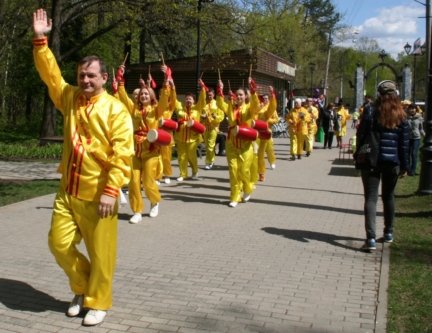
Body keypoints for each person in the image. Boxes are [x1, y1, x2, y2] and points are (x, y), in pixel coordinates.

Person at [32, 9, 134, 326]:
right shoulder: (71, 98)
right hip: (69, 191)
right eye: (82, 75)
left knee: (102, 255)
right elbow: (51, 76)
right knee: (58, 243)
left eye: (91, 75)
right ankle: (82, 287)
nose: (85, 80)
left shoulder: (116, 110)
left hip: (99, 195)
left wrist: (110, 190)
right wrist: (40, 40)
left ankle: (98, 301)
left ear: (105, 78)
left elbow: (123, 154)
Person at [116, 64, 174, 223]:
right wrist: (120, 79)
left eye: (146, 94)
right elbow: (122, 96)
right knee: (134, 182)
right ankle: (137, 211)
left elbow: (164, 98)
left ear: (151, 96)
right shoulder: (133, 109)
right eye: (141, 94)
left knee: (148, 182)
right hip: (135, 150)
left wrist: (166, 80)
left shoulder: (156, 110)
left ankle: (154, 201)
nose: (143, 96)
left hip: (151, 151)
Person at [355, 80, 409, 251]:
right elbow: (404, 143)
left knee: (371, 198)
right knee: (389, 196)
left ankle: (370, 239)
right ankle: (389, 232)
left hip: (371, 159)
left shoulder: (371, 110)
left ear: (379, 93)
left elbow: (361, 134)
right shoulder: (401, 114)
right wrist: (405, 165)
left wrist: (358, 154)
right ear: (395, 95)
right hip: (392, 161)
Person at [216, 78, 260, 207]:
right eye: (237, 94)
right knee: (233, 171)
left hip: (246, 145)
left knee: (244, 171)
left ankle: (247, 189)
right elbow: (220, 103)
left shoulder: (249, 109)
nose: (239, 96)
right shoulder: (230, 107)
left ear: (245, 96)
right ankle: (235, 197)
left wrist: (253, 92)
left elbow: (255, 105)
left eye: (241, 94)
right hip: (231, 144)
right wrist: (220, 90)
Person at [174, 84, 206, 181]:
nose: (188, 100)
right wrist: (172, 88)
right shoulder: (180, 110)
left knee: (192, 157)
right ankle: (183, 174)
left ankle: (195, 172)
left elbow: (202, 100)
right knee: (182, 157)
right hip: (180, 138)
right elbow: (174, 100)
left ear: (194, 101)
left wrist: (203, 89)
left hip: (193, 138)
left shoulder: (197, 109)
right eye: (187, 99)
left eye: (190, 99)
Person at [199, 81, 225, 170]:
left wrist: (215, 117)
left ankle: (210, 161)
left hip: (214, 128)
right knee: (207, 146)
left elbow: (221, 116)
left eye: (210, 95)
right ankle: (209, 161)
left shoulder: (217, 104)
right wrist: (202, 117)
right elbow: (201, 116)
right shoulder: (204, 104)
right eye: (208, 95)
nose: (209, 96)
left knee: (210, 145)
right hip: (205, 128)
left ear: (213, 95)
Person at [406, 104, 425, 176]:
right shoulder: (406, 117)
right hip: (408, 138)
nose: (412, 110)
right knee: (407, 154)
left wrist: (425, 136)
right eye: (410, 108)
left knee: (414, 154)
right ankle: (408, 170)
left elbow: (421, 129)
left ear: (415, 109)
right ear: (408, 109)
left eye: (413, 108)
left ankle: (413, 170)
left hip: (416, 138)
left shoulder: (419, 118)